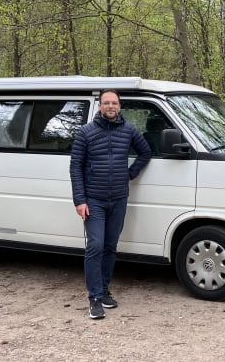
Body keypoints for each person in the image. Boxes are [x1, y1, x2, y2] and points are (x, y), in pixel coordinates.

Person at [70, 89, 151, 320]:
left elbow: (145, 152)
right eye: (106, 103)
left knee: (110, 247)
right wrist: (80, 200)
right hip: (93, 200)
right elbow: (75, 167)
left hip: (118, 198)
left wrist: (130, 173)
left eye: (114, 103)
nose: (110, 106)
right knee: (95, 246)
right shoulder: (86, 132)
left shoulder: (129, 130)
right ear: (99, 106)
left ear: (120, 106)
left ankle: (105, 291)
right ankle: (94, 298)